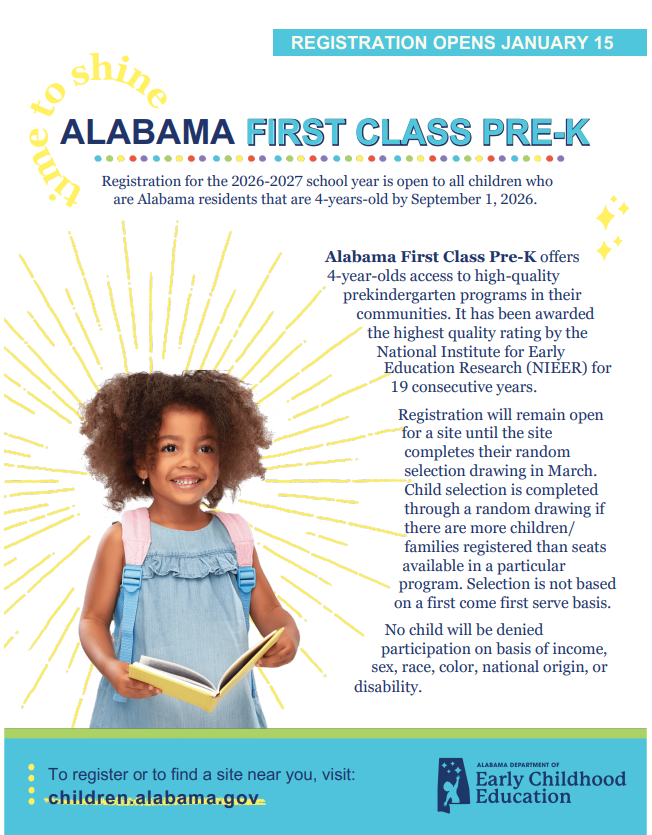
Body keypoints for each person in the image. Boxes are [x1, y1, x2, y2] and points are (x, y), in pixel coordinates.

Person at [79, 370, 299, 728]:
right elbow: (92, 620)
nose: (189, 460)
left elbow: (270, 609)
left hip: (230, 723)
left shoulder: (235, 536)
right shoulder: (125, 538)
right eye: (170, 447)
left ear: (222, 458)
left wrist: (288, 634)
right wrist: (109, 666)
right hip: (142, 722)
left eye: (205, 447)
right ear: (140, 463)